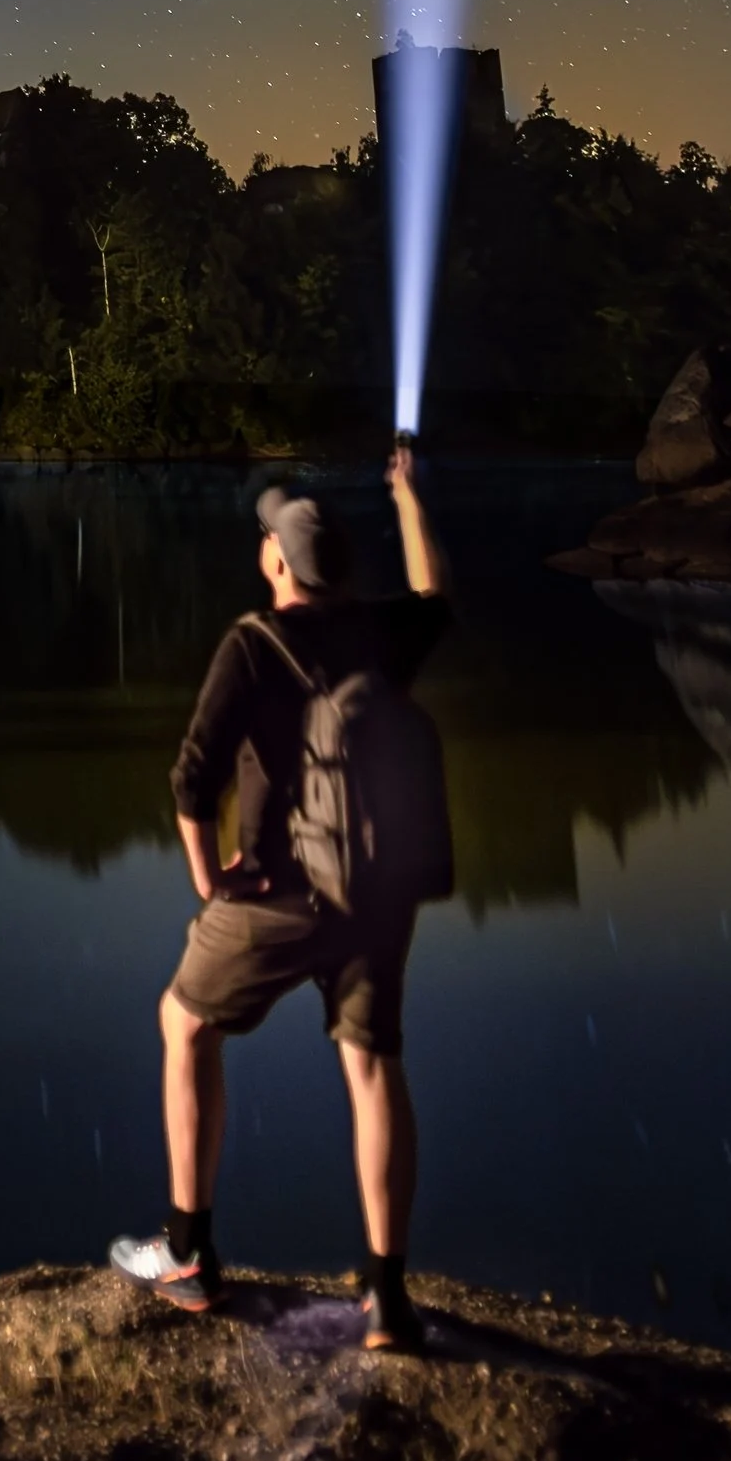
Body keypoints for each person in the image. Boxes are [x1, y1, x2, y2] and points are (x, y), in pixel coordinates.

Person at [110, 443, 452, 1353]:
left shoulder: (253, 643)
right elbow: (436, 594)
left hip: (278, 894)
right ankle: (387, 1300)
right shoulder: (385, 633)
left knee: (183, 1023)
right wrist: (409, 499)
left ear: (276, 563)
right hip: (378, 894)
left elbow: (190, 782)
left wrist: (207, 877)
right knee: (373, 1068)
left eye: (268, 539)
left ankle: (187, 1255)